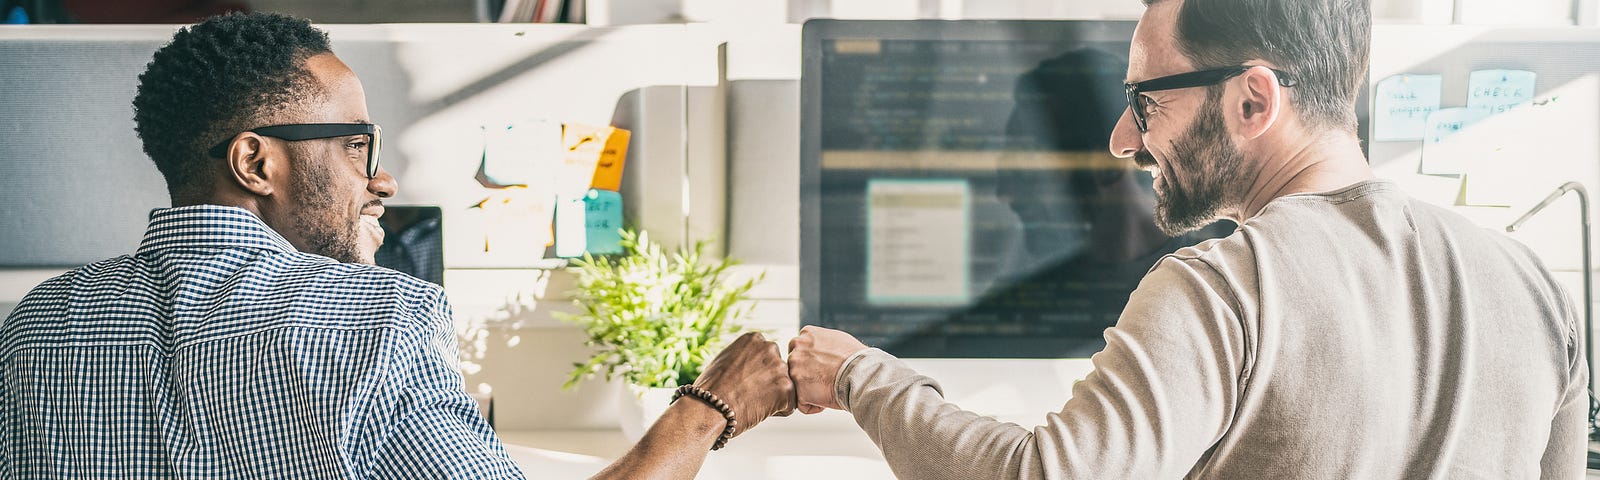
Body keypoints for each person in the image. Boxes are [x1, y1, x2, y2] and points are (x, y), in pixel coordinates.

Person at [787, 0, 1587, 477]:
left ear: (1253, 101)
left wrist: (861, 376)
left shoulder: (1224, 289)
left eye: (1145, 98)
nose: (1121, 138)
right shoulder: (1538, 294)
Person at [0, 12, 793, 478]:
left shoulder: (37, 327)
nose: (381, 180)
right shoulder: (377, 319)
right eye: (356, 147)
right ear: (255, 161)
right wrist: (708, 408)